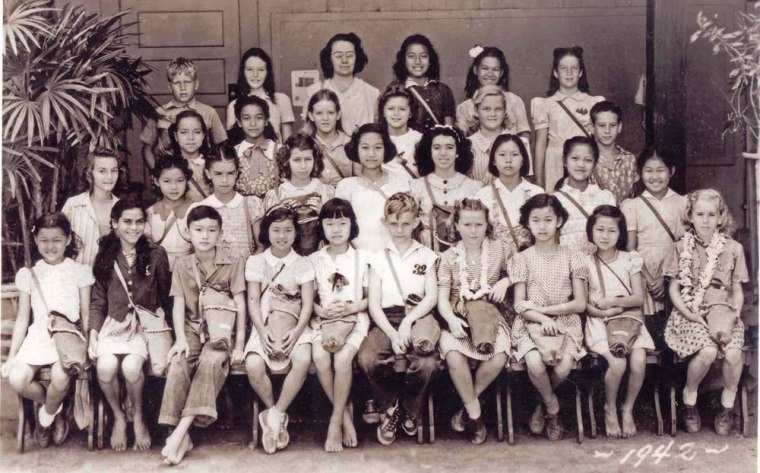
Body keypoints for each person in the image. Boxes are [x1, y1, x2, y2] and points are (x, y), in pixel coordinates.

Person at [159, 205, 247, 465]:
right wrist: (180, 339)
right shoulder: (183, 264)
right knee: (178, 364)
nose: (205, 236)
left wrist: (240, 343)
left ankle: (180, 433)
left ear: (220, 233)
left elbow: (240, 304)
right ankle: (179, 435)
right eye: (199, 230)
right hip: (191, 328)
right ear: (188, 232)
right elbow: (177, 305)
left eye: (211, 230)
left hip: (221, 329)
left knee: (210, 363)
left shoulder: (233, 260)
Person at [2, 213, 94, 448]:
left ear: (68, 240)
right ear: (35, 240)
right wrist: (12, 357)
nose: (50, 246)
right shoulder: (30, 273)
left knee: (61, 376)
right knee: (17, 378)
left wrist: (88, 343)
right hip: (38, 337)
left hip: (68, 336)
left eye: (57, 240)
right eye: (44, 240)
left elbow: (85, 316)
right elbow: (23, 318)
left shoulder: (80, 271)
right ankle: (54, 408)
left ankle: (44, 421)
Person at [89, 195, 172, 451]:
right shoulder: (104, 255)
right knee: (105, 366)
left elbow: (166, 295)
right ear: (114, 223)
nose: (133, 227)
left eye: (139, 222)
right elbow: (98, 301)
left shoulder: (156, 254)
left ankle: (137, 417)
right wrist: (93, 332)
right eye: (127, 222)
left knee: (132, 367)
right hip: (113, 326)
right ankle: (118, 417)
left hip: (143, 328)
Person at [664, 189, 748, 436]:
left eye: (712, 214)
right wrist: (689, 314)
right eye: (699, 214)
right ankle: (689, 402)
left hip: (725, 311)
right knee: (709, 350)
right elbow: (674, 288)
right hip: (691, 312)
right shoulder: (681, 248)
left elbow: (737, 291)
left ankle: (727, 406)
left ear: (721, 218)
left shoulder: (733, 248)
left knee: (733, 354)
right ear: (690, 215)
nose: (705, 220)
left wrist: (734, 315)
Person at [358, 193, 441, 446]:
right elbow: (374, 304)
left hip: (418, 317)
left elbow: (431, 297)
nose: (400, 229)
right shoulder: (377, 257)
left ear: (416, 222)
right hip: (385, 319)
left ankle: (410, 408)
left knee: (426, 364)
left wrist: (407, 323)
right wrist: (393, 334)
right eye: (394, 224)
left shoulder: (427, 255)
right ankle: (390, 406)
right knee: (368, 358)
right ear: (385, 222)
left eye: (406, 223)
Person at [509, 194, 588, 441]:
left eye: (548, 220)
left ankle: (541, 406)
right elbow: (520, 304)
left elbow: (580, 302)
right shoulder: (521, 259)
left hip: (566, 321)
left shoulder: (572, 255)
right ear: (528, 224)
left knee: (564, 366)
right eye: (536, 220)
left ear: (560, 221)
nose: (542, 226)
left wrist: (548, 313)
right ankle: (553, 408)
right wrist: (540, 318)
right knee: (534, 363)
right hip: (530, 323)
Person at [436, 199, 513, 444]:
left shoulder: (500, 248)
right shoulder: (448, 257)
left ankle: (465, 404)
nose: (473, 230)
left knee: (499, 355)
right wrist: (450, 319)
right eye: (467, 224)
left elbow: (520, 270)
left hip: (489, 315)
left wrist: (505, 281)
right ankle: (476, 416)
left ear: (486, 225)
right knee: (453, 355)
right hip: (458, 316)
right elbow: (442, 298)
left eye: (478, 224)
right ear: (456, 225)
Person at [244, 206, 315, 453]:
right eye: (276, 230)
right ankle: (275, 415)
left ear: (296, 233)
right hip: (262, 325)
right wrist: (262, 333)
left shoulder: (304, 263)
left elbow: (307, 304)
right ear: (267, 232)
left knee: (303, 358)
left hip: (296, 326)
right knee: (253, 364)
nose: (282, 236)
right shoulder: (255, 261)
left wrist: (296, 333)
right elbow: (252, 300)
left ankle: (275, 414)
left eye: (288, 230)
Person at [584, 205, 652, 438]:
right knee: (618, 362)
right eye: (600, 229)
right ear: (591, 231)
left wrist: (615, 303)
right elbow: (585, 304)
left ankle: (628, 409)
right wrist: (603, 313)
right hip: (600, 323)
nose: (605, 236)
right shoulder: (586, 263)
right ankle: (610, 408)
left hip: (629, 320)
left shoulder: (629, 259)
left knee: (639, 362)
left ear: (620, 233)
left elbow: (638, 298)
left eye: (611, 231)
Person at [309, 198, 369, 452]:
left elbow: (369, 299)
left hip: (353, 318)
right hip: (323, 320)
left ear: (351, 225)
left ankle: (334, 422)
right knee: (321, 358)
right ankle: (344, 414)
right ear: (321, 227)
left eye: (342, 223)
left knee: (342, 360)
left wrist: (351, 307)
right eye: (330, 223)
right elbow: (308, 300)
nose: (336, 229)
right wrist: (321, 310)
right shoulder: (314, 259)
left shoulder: (361, 257)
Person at [620, 148, 686, 348]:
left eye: (661, 170)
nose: (655, 176)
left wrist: (666, 278)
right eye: (649, 171)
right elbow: (631, 246)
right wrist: (648, 279)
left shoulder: (684, 203)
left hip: (674, 272)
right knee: (649, 331)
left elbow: (685, 245)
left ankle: (672, 374)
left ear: (671, 171)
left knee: (673, 327)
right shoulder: (632, 205)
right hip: (643, 274)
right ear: (640, 173)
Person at [532, 46, 605, 191]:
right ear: (555, 72)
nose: (569, 73)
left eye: (574, 68)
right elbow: (540, 143)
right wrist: (539, 179)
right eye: (563, 68)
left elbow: (600, 142)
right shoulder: (545, 104)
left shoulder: (593, 102)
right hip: (556, 162)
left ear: (581, 72)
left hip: (584, 160)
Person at [140, 57, 226, 171]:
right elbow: (147, 148)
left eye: (187, 82)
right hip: (170, 176)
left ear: (196, 84)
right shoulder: (159, 113)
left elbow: (221, 147)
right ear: (170, 87)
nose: (183, 88)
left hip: (201, 174)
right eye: (177, 83)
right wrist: (157, 173)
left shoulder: (209, 112)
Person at [335, 123, 410, 251]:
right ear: (356, 149)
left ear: (386, 149)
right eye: (365, 148)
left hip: (394, 257)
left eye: (378, 148)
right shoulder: (346, 187)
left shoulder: (400, 182)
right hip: (357, 259)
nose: (371, 154)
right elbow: (340, 229)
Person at [186, 142, 264, 261]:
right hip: (213, 276)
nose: (224, 180)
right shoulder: (202, 207)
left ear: (237, 172)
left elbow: (261, 246)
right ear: (208, 173)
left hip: (245, 273)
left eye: (230, 173)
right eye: (218, 174)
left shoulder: (250, 204)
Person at [409, 125, 481, 252]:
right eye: (437, 148)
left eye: (449, 147)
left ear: (457, 152)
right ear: (429, 152)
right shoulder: (417, 186)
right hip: (426, 253)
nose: (443, 153)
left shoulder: (474, 187)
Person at [263, 133, 335, 256]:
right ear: (287, 161)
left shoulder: (326, 191)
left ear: (315, 160)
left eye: (308, 159)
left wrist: (323, 212)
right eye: (297, 160)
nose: (303, 166)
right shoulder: (276, 194)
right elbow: (266, 236)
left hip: (321, 256)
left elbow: (337, 230)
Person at [475, 134, 543, 251]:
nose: (508, 160)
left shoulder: (536, 193)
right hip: (494, 265)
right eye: (502, 155)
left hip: (531, 264)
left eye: (515, 155)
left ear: (523, 160)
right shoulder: (482, 196)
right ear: (494, 161)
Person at [305, 33, 380, 135]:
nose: (344, 60)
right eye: (338, 56)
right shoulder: (313, 91)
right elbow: (308, 133)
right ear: (329, 59)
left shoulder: (372, 93)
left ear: (357, 57)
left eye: (349, 55)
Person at [552, 136, 615, 254]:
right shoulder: (556, 199)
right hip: (568, 266)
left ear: (595, 163)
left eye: (588, 160)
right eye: (575, 158)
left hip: (600, 266)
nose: (581, 165)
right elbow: (552, 242)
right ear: (564, 161)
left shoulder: (605, 197)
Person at [456, 46, 530, 140]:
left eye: (495, 69)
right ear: (475, 70)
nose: (490, 74)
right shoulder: (464, 108)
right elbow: (463, 142)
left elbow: (524, 135)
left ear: (501, 73)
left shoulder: (514, 101)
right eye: (485, 68)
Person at [61, 148, 120, 266]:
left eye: (114, 171)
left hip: (112, 280)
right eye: (102, 171)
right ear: (90, 172)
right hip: (78, 279)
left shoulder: (123, 208)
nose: (109, 177)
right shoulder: (73, 205)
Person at [387, 34, 455, 132]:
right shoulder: (395, 88)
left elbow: (449, 130)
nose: (418, 61)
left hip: (436, 146)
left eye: (423, 56)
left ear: (430, 59)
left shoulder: (443, 90)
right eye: (411, 56)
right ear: (403, 60)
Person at [227, 48, 295, 142]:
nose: (255, 75)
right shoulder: (233, 105)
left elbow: (288, 143)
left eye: (261, 70)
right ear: (243, 72)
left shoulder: (282, 100)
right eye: (250, 69)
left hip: (275, 155)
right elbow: (232, 143)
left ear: (268, 72)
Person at [468, 86, 526, 185]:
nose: (493, 114)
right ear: (476, 111)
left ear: (504, 112)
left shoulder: (520, 143)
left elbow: (525, 181)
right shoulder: (468, 145)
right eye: (486, 109)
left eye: (498, 109)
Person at [145, 156, 193, 269]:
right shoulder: (151, 212)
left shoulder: (195, 210)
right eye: (167, 181)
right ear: (156, 181)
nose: (174, 187)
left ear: (186, 180)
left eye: (180, 181)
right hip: (159, 273)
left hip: (187, 272)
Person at [230, 95, 280, 198]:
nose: (253, 123)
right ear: (239, 122)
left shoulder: (279, 150)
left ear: (266, 121)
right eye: (247, 118)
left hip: (275, 209)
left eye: (259, 118)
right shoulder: (234, 153)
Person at [589, 101, 639, 203]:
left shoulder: (629, 159)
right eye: (601, 125)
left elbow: (634, 196)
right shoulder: (587, 159)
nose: (607, 131)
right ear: (592, 127)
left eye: (612, 125)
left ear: (619, 127)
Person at [306, 89, 355, 185]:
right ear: (311, 116)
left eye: (330, 113)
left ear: (338, 115)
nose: (325, 118)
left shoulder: (351, 143)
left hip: (343, 198)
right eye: (319, 113)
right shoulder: (306, 144)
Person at [377, 85, 423, 181]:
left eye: (402, 109)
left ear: (411, 113)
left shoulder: (419, 139)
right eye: (391, 108)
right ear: (383, 112)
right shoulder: (376, 138)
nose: (396, 113)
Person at [167, 110, 213, 202]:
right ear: (176, 136)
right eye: (184, 132)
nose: (191, 137)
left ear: (203, 135)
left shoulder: (213, 162)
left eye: (197, 132)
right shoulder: (169, 166)